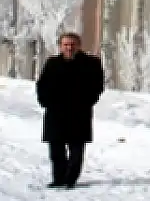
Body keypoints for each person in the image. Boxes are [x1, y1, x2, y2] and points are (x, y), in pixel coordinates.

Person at [35, 32, 105, 189]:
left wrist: (87, 101)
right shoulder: (52, 63)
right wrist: (44, 101)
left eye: (72, 44)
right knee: (56, 151)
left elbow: (97, 86)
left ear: (79, 46)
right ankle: (58, 178)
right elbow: (42, 84)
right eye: (66, 44)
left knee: (76, 150)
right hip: (55, 113)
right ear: (61, 46)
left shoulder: (91, 63)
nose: (69, 47)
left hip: (79, 113)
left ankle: (70, 178)